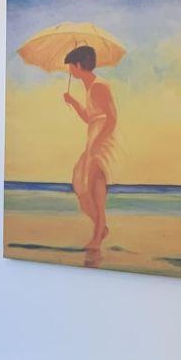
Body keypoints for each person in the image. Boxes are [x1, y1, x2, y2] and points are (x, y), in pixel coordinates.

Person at [62, 45, 117, 254]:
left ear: (78, 65)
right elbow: (89, 117)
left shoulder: (99, 86)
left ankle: (97, 237)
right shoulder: (90, 87)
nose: (69, 71)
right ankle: (101, 228)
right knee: (79, 183)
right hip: (93, 139)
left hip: (103, 141)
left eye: (70, 66)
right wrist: (73, 102)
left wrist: (97, 145)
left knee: (96, 190)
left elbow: (112, 119)